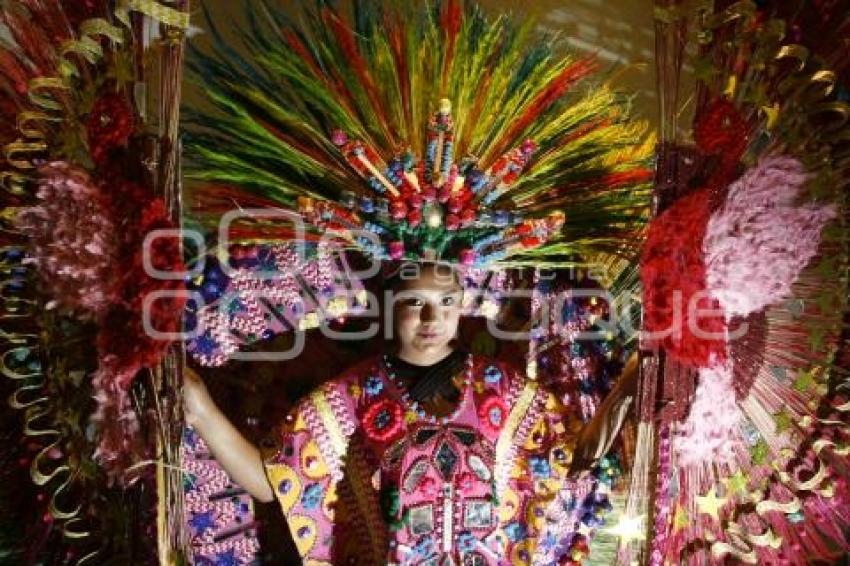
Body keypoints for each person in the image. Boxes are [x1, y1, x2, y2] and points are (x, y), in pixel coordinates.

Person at [184, 261, 638, 565]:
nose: (431, 319)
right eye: (415, 303)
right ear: (391, 305)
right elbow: (271, 483)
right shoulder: (355, 395)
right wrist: (201, 409)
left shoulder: (502, 389)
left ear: (462, 306)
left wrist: (631, 382)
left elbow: (572, 456)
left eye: (445, 303)